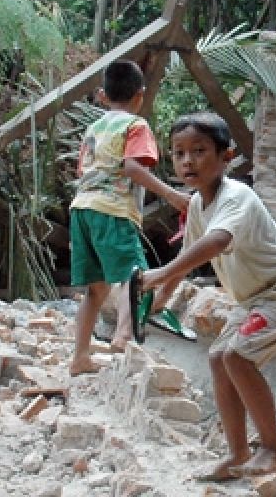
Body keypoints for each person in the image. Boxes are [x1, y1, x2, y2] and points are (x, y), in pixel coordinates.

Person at [140, 112, 276, 479]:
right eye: (178, 153)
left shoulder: (237, 196)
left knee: (238, 356)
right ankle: (237, 453)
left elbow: (217, 241)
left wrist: (159, 274)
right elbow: (187, 256)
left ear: (226, 157)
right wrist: (158, 302)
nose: (187, 161)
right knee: (219, 356)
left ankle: (275, 450)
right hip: (256, 298)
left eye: (199, 151)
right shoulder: (195, 205)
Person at [68, 60, 190, 376]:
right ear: (141, 96)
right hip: (113, 210)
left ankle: (80, 358)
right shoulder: (136, 127)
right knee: (136, 277)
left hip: (82, 209)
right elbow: (134, 169)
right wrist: (174, 196)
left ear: (102, 95)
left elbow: (82, 171)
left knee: (95, 290)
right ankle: (123, 336)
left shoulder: (94, 129)